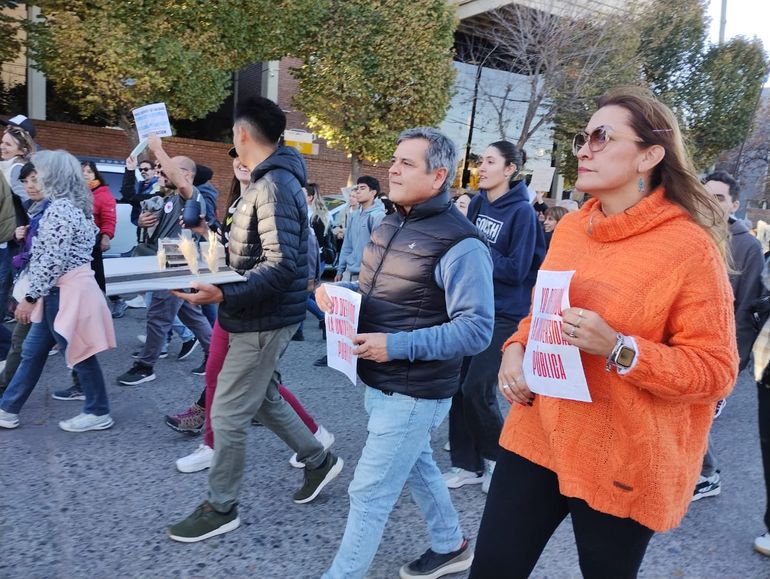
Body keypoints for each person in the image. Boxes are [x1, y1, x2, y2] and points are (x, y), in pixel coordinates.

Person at [470, 87, 738, 578]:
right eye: (582, 137)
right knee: (491, 570)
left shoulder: (687, 248)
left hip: (622, 455)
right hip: (538, 433)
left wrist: (619, 348)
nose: (585, 149)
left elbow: (716, 371)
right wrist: (515, 348)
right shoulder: (572, 228)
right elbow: (541, 311)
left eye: (602, 136)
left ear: (650, 156)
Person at [320, 127, 494, 579]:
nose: (392, 169)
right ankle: (450, 544)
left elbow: (477, 330)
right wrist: (340, 293)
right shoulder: (391, 220)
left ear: (439, 176)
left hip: (416, 389)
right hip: (382, 378)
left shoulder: (463, 243)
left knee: (369, 493)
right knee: (417, 465)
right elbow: (384, 292)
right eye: (394, 160)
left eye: (406, 163)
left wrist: (393, 345)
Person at [166, 96, 342, 543]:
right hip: (256, 310)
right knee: (263, 398)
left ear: (242, 134)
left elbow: (283, 265)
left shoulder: (273, 184)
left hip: (261, 316)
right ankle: (318, 459)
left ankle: (221, 507)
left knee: (225, 414)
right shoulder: (269, 181)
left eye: (232, 134)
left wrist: (223, 289)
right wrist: (217, 255)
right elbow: (262, 253)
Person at [169, 154, 334, 473]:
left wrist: (312, 287)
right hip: (239, 304)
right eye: (235, 154)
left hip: (263, 310)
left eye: (248, 152)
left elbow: (288, 260)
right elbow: (232, 252)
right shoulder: (240, 202)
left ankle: (314, 445)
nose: (240, 159)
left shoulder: (279, 193)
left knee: (259, 388)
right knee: (235, 378)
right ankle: (217, 446)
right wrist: (206, 231)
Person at [445, 141, 545, 494]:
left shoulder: (522, 213)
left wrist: (478, 254)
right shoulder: (475, 204)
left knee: (478, 388)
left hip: (506, 313)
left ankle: (502, 462)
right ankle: (466, 465)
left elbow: (518, 270)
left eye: (490, 161)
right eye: (479, 161)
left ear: (509, 170)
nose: (481, 167)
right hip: (471, 308)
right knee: (457, 388)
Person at [0, 150, 116, 432]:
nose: (32, 182)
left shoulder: (60, 209)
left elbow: (51, 261)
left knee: (78, 353)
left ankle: (98, 410)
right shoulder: (71, 206)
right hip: (63, 291)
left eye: (39, 175)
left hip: (63, 292)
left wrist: (29, 298)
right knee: (34, 351)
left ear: (54, 177)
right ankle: (8, 408)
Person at [115, 136, 212, 385]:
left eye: (169, 169)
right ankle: (215, 354)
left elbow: (178, 182)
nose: (162, 172)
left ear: (187, 175)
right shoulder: (168, 198)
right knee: (190, 312)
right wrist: (142, 222)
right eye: (161, 168)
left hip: (178, 259)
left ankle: (146, 366)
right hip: (168, 258)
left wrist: (157, 149)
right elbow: (145, 216)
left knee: (158, 315)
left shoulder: (191, 194)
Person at [692, 171, 764, 501]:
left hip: (719, 351)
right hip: (684, 343)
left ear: (734, 203)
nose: (710, 202)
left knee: (697, 415)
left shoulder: (746, 245)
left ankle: (707, 474)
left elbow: (747, 308)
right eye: (706, 194)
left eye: (719, 197)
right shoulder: (691, 231)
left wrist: (734, 359)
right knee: (688, 413)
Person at [0, 163, 46, 397]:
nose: (29, 186)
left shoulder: (55, 210)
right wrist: (23, 237)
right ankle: (7, 394)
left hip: (53, 291)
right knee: (23, 343)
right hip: (42, 289)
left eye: (34, 180)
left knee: (76, 347)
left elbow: (52, 259)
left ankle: (97, 405)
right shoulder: (35, 208)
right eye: (25, 181)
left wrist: (30, 298)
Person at [335, 176, 386, 283]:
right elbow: (347, 244)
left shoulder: (378, 216)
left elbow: (378, 250)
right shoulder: (354, 215)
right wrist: (340, 270)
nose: (358, 191)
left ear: (373, 193)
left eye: (362, 188)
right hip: (348, 272)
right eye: (357, 188)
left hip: (366, 275)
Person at [81, 161, 117, 294]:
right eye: (82, 171)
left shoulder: (103, 194)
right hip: (76, 242)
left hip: (93, 242)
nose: (85, 174)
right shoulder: (75, 192)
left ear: (95, 175)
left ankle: (111, 300)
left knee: (97, 275)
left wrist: (106, 237)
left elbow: (109, 219)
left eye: (89, 172)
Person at [0, 118, 36, 203]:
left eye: (8, 144)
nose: (2, 147)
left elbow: (24, 201)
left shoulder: (17, 169)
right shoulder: (7, 166)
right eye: (2, 142)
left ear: (22, 151)